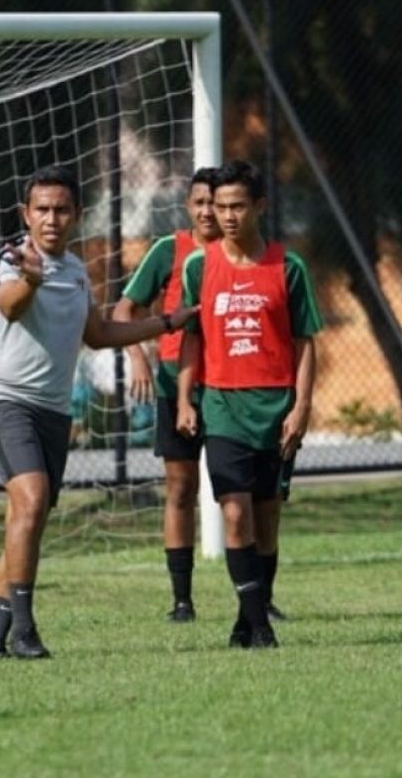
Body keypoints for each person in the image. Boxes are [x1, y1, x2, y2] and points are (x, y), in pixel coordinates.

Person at [0, 165, 199, 660]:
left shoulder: (75, 271)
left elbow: (97, 335)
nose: (51, 219)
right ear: (25, 215)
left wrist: (165, 322)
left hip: (53, 412)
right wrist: (30, 280)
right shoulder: (11, 260)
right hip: (6, 400)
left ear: (76, 215)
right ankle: (25, 630)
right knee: (31, 501)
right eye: (41, 210)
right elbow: (9, 305)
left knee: (26, 516)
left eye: (61, 210)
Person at [176, 160, 322, 649]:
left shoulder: (289, 266)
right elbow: (192, 339)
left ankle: (249, 615)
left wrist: (301, 407)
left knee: (266, 518)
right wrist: (185, 397)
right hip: (221, 407)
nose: (228, 216)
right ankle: (260, 626)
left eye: (238, 206)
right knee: (234, 513)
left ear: (260, 206)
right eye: (220, 207)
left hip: (276, 409)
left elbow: (305, 342)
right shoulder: (200, 266)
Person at [111, 167, 220, 623]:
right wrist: (137, 356)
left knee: (246, 493)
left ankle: (258, 596)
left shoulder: (247, 257)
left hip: (233, 388)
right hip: (176, 385)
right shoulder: (168, 250)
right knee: (180, 487)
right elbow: (124, 309)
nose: (208, 211)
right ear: (187, 206)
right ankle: (182, 599)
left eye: (217, 202)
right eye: (199, 202)